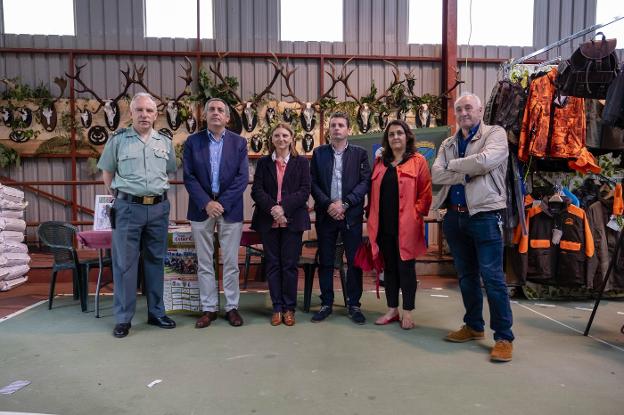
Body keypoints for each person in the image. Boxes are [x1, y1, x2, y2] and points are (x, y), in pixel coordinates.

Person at [431, 92, 514, 362]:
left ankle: (503, 337)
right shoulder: (448, 142)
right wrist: (467, 169)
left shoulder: (496, 134)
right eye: (459, 109)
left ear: (480, 111)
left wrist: (454, 167)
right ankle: (474, 326)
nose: (464, 113)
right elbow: (436, 173)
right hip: (455, 217)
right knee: (466, 276)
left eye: (469, 108)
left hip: (486, 215)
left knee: (492, 278)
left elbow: (486, 161)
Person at [98, 92, 177, 338]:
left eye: (149, 111)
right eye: (139, 110)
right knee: (125, 265)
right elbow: (107, 174)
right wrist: (123, 199)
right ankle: (123, 319)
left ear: (156, 115)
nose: (144, 115)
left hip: (158, 209)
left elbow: (168, 170)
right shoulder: (118, 140)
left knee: (155, 261)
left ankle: (156, 313)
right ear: (131, 113)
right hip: (128, 209)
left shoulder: (164, 142)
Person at [183, 98, 249, 328]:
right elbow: (189, 177)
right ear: (205, 115)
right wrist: (206, 203)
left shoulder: (239, 143)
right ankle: (209, 308)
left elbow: (242, 178)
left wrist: (220, 203)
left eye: (220, 110)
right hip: (201, 209)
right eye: (211, 109)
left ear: (228, 118)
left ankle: (232, 307)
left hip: (230, 210)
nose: (215, 113)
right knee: (204, 262)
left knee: (230, 262)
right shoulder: (193, 142)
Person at [366, 120, 432, 329]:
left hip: (407, 227)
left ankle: (408, 312)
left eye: (399, 133)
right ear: (387, 139)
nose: (395, 137)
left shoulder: (418, 161)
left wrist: (416, 215)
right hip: (383, 227)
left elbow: (425, 192)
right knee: (389, 270)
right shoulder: (380, 163)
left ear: (407, 136)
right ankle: (392, 309)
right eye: (392, 134)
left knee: (406, 270)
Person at [310, 111, 371, 324]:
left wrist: (345, 204)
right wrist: (328, 204)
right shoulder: (319, 154)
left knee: (354, 261)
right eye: (333, 125)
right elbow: (313, 183)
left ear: (348, 130)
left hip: (350, 215)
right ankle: (326, 303)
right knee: (326, 261)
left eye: (341, 125)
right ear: (329, 129)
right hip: (326, 215)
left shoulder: (360, 154)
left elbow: (365, 183)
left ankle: (354, 304)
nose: (337, 128)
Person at [251, 123, 311, 326]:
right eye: (277, 135)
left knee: (289, 266)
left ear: (292, 138)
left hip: (292, 220)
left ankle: (289, 308)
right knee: (273, 265)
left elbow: (304, 191)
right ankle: (277, 307)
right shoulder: (263, 163)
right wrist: (274, 210)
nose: (281, 139)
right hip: (269, 220)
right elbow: (257, 191)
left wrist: (283, 208)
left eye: (285, 135)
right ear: (272, 139)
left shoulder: (301, 162)